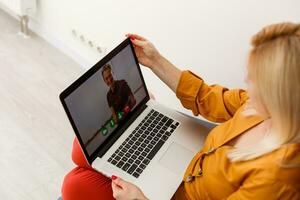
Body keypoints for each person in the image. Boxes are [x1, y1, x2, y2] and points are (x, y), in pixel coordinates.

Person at [61, 22, 300, 200]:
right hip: (192, 158)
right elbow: (207, 97)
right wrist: (155, 60)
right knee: (81, 151)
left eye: (255, 78)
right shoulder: (258, 108)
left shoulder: (278, 178)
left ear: (280, 94)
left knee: (74, 184)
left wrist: (140, 199)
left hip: (180, 192)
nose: (246, 79)